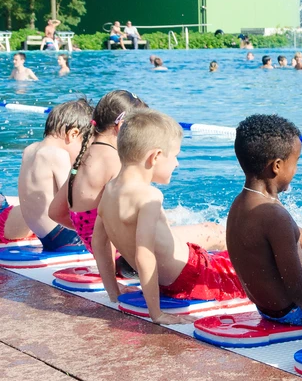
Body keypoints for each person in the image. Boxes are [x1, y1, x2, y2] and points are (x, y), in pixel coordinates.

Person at [93, 110, 232, 325]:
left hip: (170, 280)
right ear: (155, 156)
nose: (177, 163)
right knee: (252, 269)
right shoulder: (149, 196)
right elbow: (145, 255)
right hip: (194, 277)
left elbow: (99, 243)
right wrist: (156, 314)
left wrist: (113, 293)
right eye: (175, 155)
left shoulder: (110, 189)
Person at [226, 115, 302, 340]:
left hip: (270, 310)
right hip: (295, 311)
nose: (297, 168)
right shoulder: (274, 216)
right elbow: (298, 291)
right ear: (277, 166)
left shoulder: (245, 202)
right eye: (296, 161)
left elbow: (297, 232)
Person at [51, 92, 208, 264]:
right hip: (126, 259)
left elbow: (55, 212)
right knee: (213, 231)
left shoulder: (84, 158)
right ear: (123, 126)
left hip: (109, 256)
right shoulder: (116, 162)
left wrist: (89, 232)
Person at [16, 99, 93, 251]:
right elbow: (74, 200)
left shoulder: (30, 150)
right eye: (84, 146)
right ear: (73, 134)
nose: (83, 153)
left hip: (45, 237)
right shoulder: (58, 155)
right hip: (65, 237)